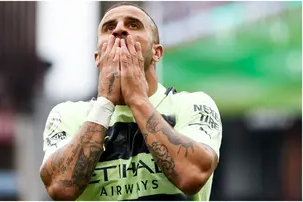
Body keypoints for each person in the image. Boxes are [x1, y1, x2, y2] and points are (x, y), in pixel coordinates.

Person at [39, 2, 222, 201]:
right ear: (98, 57)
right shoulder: (68, 115)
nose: (119, 30)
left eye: (133, 25)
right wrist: (105, 103)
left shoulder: (192, 105)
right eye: (109, 28)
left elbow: (192, 176)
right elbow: (59, 188)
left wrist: (137, 99)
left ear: (156, 52)